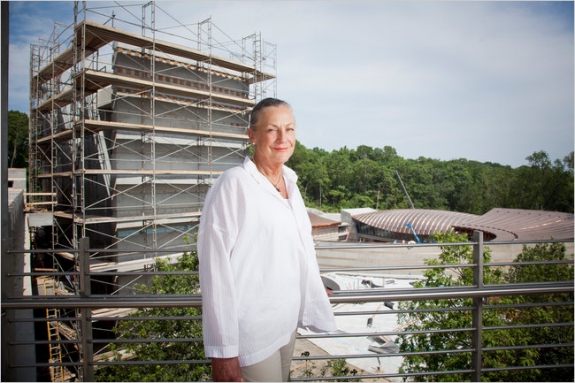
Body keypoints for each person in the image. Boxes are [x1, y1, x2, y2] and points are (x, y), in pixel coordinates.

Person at [198, 98, 337, 382]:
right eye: (273, 129)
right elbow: (215, 271)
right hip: (252, 333)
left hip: (285, 325)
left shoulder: (290, 183)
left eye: (290, 129)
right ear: (252, 135)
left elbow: (295, 249)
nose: (283, 138)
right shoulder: (233, 184)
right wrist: (223, 352)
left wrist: (314, 286)